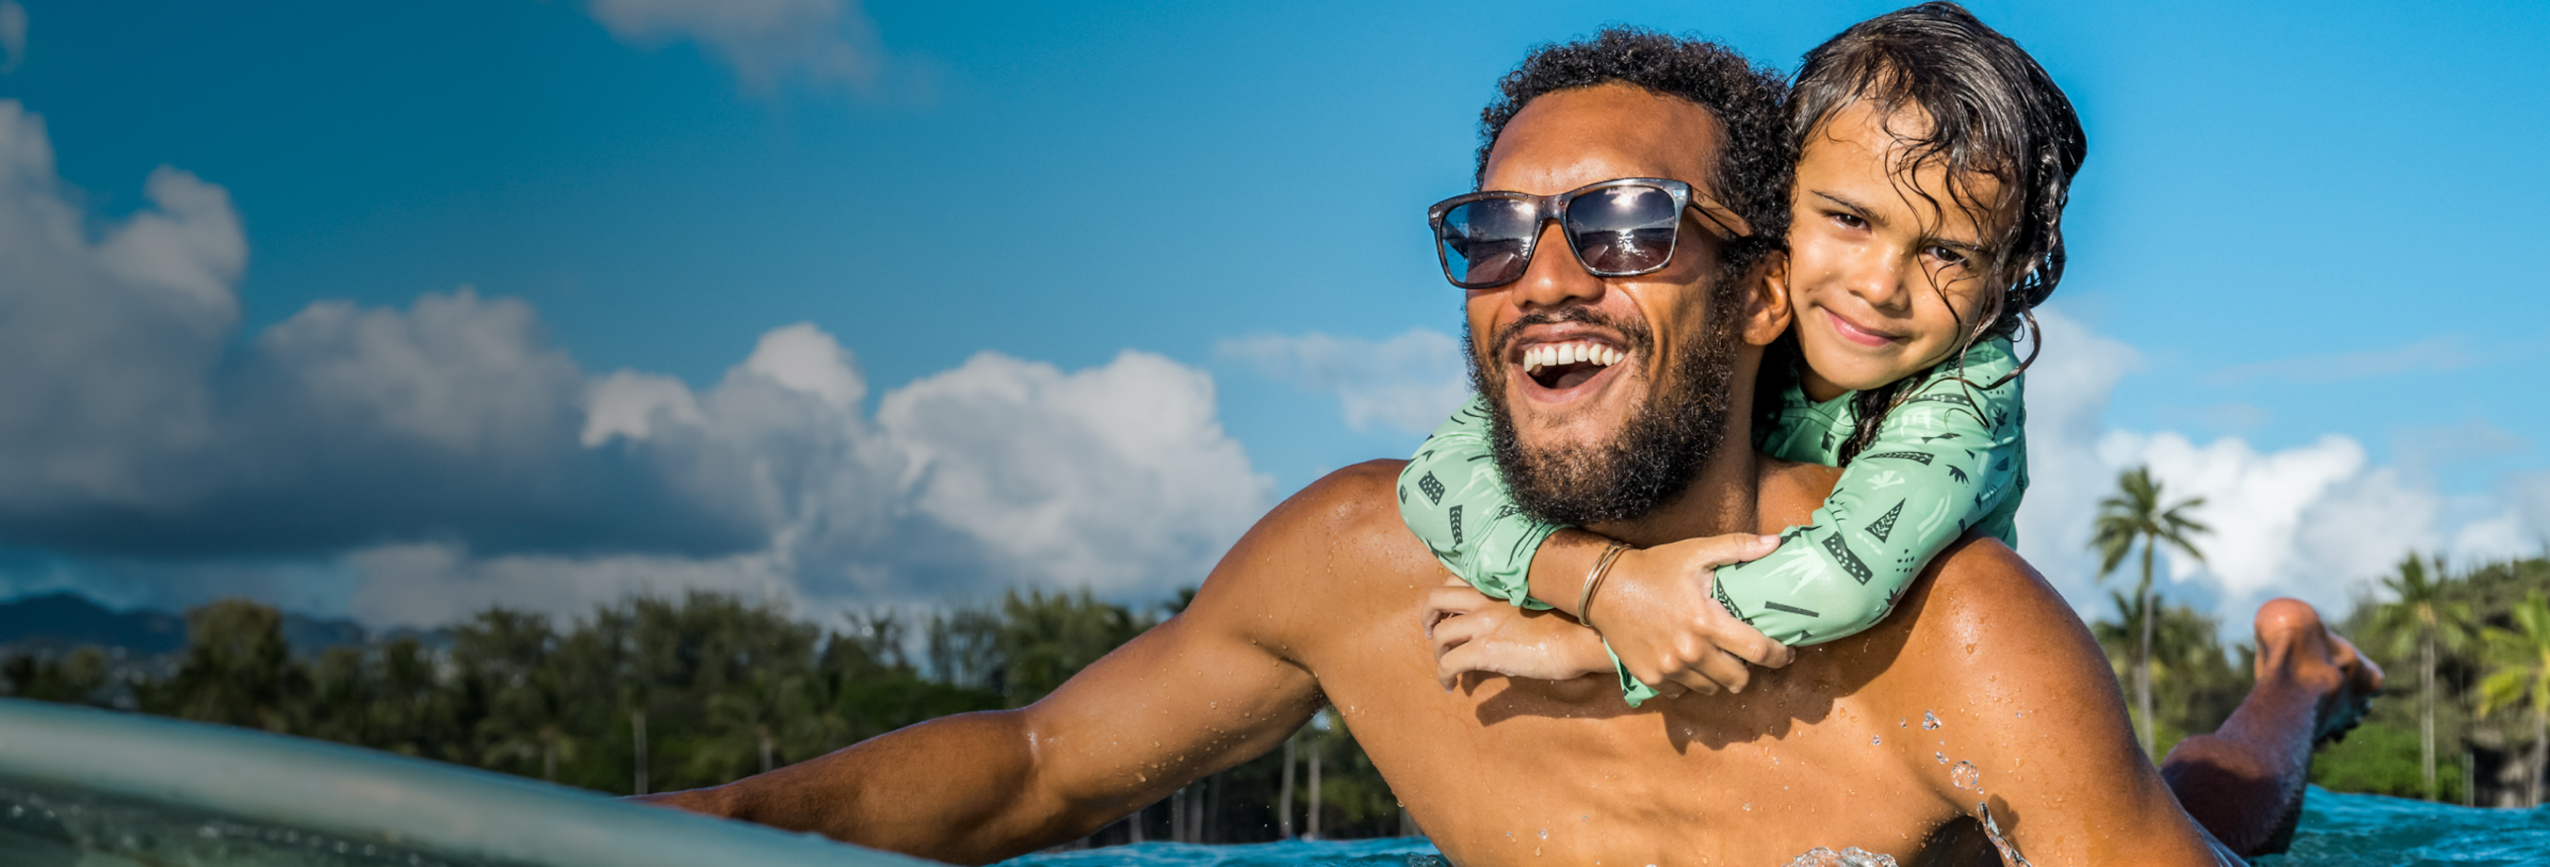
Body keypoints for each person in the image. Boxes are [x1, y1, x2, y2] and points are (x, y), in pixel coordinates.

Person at [644, 22, 2379, 867]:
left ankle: (2294, 671)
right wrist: (699, 820)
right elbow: (1034, 763)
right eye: (1494, 235)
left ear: (1767, 291)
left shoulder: (1948, 633)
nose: (1545, 275)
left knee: (2226, 806)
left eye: (1624, 225)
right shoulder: (1357, 565)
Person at [1401, 2, 2070, 707]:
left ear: (2003, 274)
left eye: (1946, 252)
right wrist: (1590, 578)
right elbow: (1434, 477)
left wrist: (1595, 636)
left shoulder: (1970, 389)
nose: (1878, 286)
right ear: (1782, 210)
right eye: (1848, 219)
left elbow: (1843, 577)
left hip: (1922, 713)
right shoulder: (1747, 321)